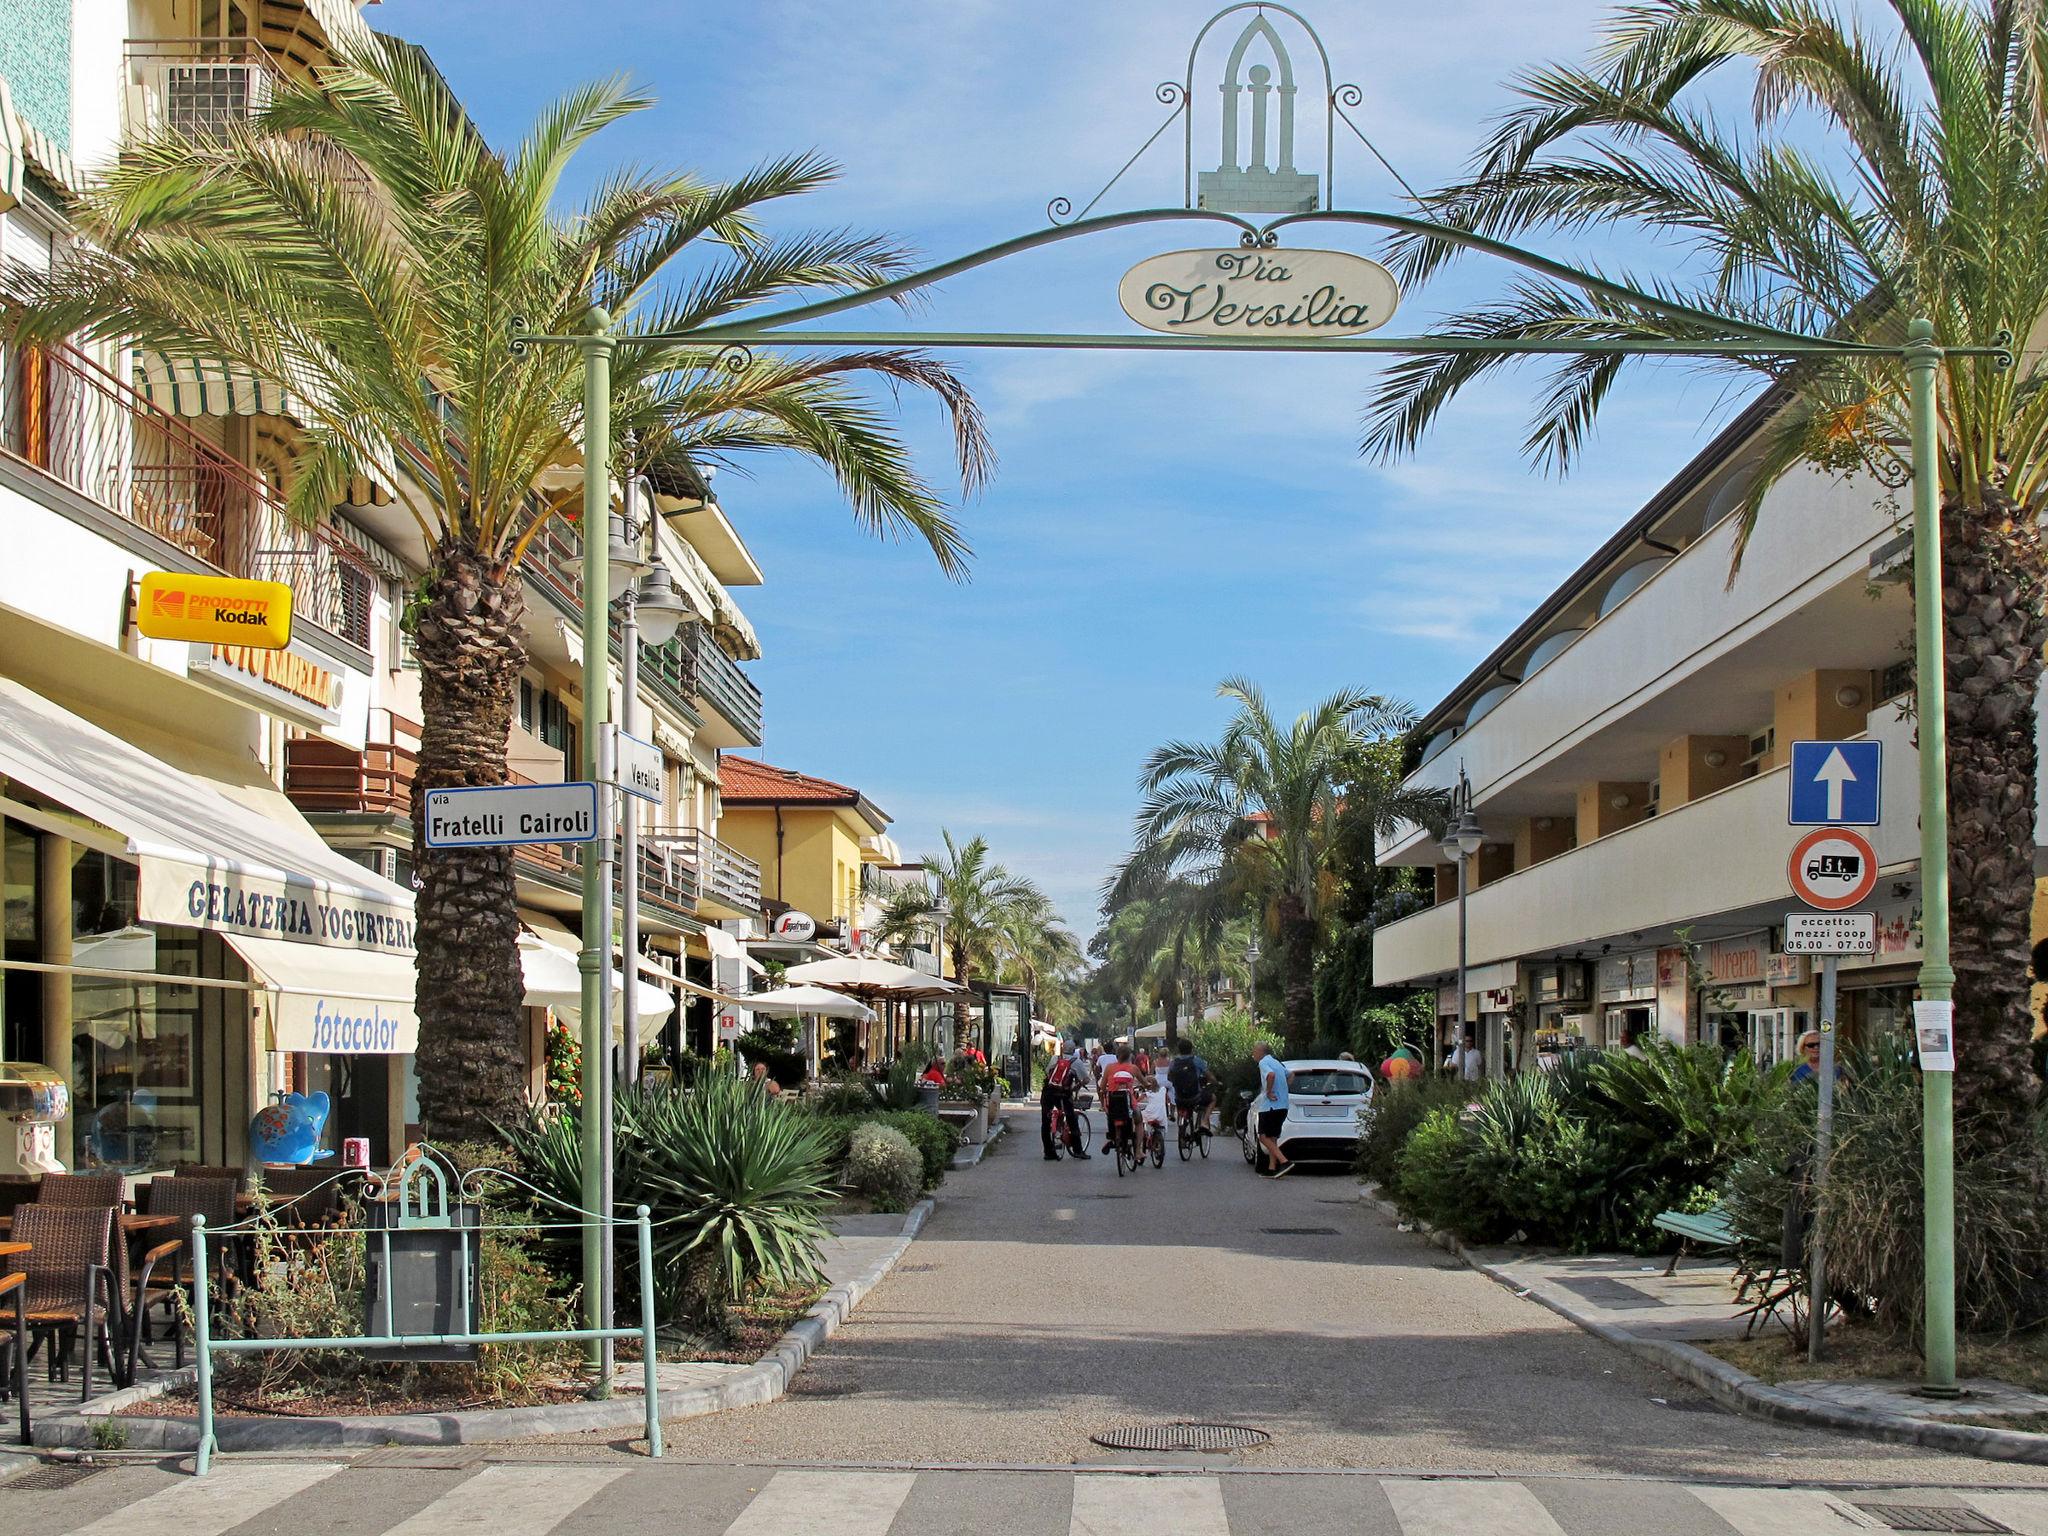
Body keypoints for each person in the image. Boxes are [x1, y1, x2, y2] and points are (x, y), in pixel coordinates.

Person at [1040, 1042, 1090, 1159]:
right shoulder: (1076, 1062)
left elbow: (1048, 1073)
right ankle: (1078, 1150)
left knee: (1045, 1122)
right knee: (1072, 1119)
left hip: (1048, 1092)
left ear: (1062, 1049)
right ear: (1074, 1051)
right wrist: (1077, 1085)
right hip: (1063, 1094)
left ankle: (1048, 1152)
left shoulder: (1055, 1058)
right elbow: (1086, 1079)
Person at [1252, 1041, 1292, 1177]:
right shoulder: (1276, 1062)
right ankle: (1271, 1168)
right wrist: (1283, 1089)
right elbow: (1291, 1075)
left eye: (1254, 1051)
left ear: (1261, 1052)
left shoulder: (1263, 1063)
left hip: (1270, 1106)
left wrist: (1269, 1091)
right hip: (1283, 1105)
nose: (1253, 1054)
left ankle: (1284, 1161)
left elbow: (1270, 1075)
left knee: (1263, 1137)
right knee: (1272, 1137)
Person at [1100, 1044, 1140, 1159]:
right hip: (1129, 1104)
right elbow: (1144, 1082)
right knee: (1139, 1121)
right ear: (1129, 1056)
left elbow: (1102, 1087)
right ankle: (1138, 1150)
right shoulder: (1133, 1068)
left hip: (1112, 1103)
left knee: (1111, 1118)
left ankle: (1113, 1139)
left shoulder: (1109, 1067)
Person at [1167, 1038, 1212, 1131]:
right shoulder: (1197, 1061)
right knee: (1213, 1099)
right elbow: (1210, 1076)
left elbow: (1169, 1077)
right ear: (1191, 1049)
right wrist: (1216, 1083)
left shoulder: (1174, 1062)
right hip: (1195, 1096)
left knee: (1182, 1107)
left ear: (1179, 1050)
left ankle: (1182, 1131)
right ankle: (1204, 1122)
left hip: (1179, 1096)